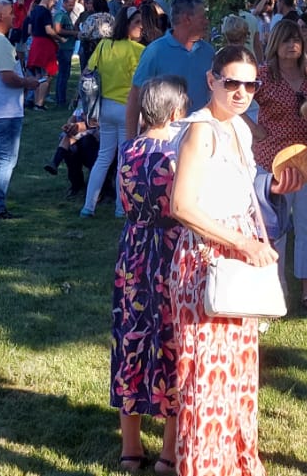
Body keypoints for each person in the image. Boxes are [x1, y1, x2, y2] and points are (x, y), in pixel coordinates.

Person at [169, 45, 279, 476]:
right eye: (231, 82)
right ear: (211, 80)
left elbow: (240, 189)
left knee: (238, 371)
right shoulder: (201, 129)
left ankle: (236, 461)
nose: (241, 92)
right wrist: (242, 243)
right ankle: (203, 465)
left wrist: (273, 188)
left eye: (250, 84)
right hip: (206, 259)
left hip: (238, 258)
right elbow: (182, 206)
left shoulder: (239, 128)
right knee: (205, 375)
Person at [111, 77, 189, 473]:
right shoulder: (178, 153)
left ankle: (130, 450)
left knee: (132, 339)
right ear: (176, 113)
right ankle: (169, 453)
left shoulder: (129, 150)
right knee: (172, 344)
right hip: (171, 251)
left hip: (134, 252)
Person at [252, 18, 307, 314]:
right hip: (273, 162)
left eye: (296, 40)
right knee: (275, 228)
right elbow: (231, 103)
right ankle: (275, 290)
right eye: (286, 40)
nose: (292, 45)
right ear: (275, 44)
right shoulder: (263, 76)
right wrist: (256, 131)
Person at [0, 0, 41, 220]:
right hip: (5, 110)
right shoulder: (0, 42)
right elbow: (8, 77)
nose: (14, 16)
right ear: (1, 16)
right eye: (11, 13)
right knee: (5, 159)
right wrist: (28, 82)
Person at [86, 5, 149, 219]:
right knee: (124, 160)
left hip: (105, 106)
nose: (141, 27)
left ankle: (88, 206)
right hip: (127, 109)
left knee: (104, 156)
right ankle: (121, 208)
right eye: (137, 23)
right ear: (126, 25)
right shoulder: (139, 51)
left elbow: (88, 71)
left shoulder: (104, 45)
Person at [133, 0, 215, 113]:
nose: (206, 21)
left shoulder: (208, 52)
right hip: (166, 129)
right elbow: (136, 94)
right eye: (202, 17)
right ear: (187, 19)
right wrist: (132, 132)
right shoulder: (155, 51)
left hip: (200, 128)